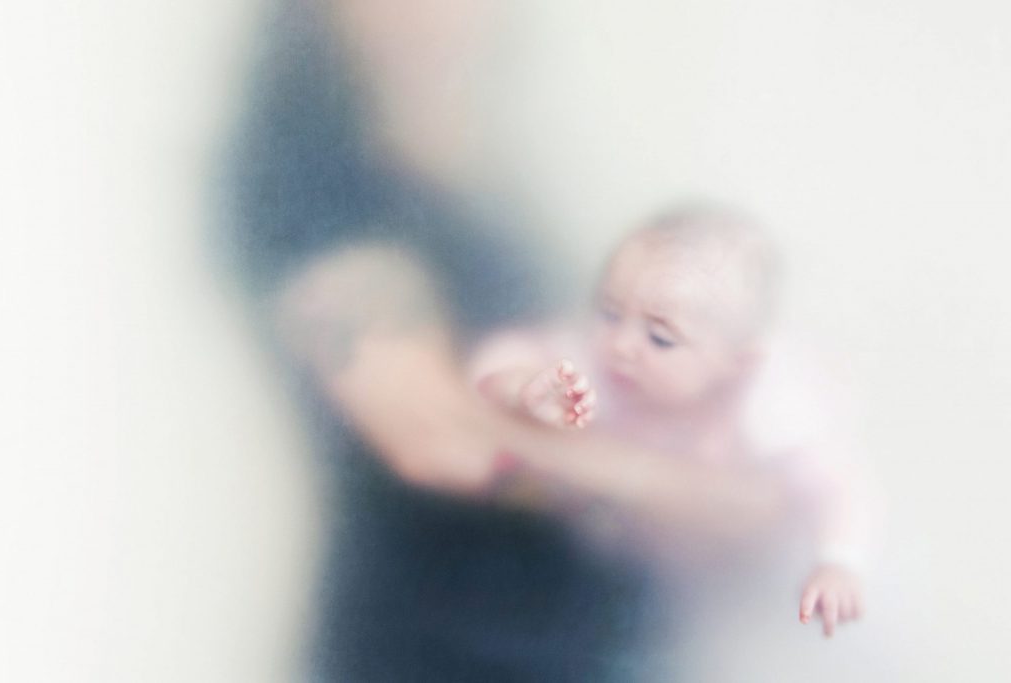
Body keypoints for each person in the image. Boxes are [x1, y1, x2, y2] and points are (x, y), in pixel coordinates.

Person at [224, 1, 796, 679]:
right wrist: (668, 488)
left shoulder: (483, 180)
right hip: (433, 654)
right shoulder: (313, 185)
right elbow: (432, 428)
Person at [470, 206, 871, 639]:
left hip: (724, 582)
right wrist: (521, 385)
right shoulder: (595, 366)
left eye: (660, 338)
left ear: (736, 364)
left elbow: (840, 486)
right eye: (610, 313)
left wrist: (837, 561)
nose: (621, 344)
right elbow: (490, 363)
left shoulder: (766, 405)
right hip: (615, 558)